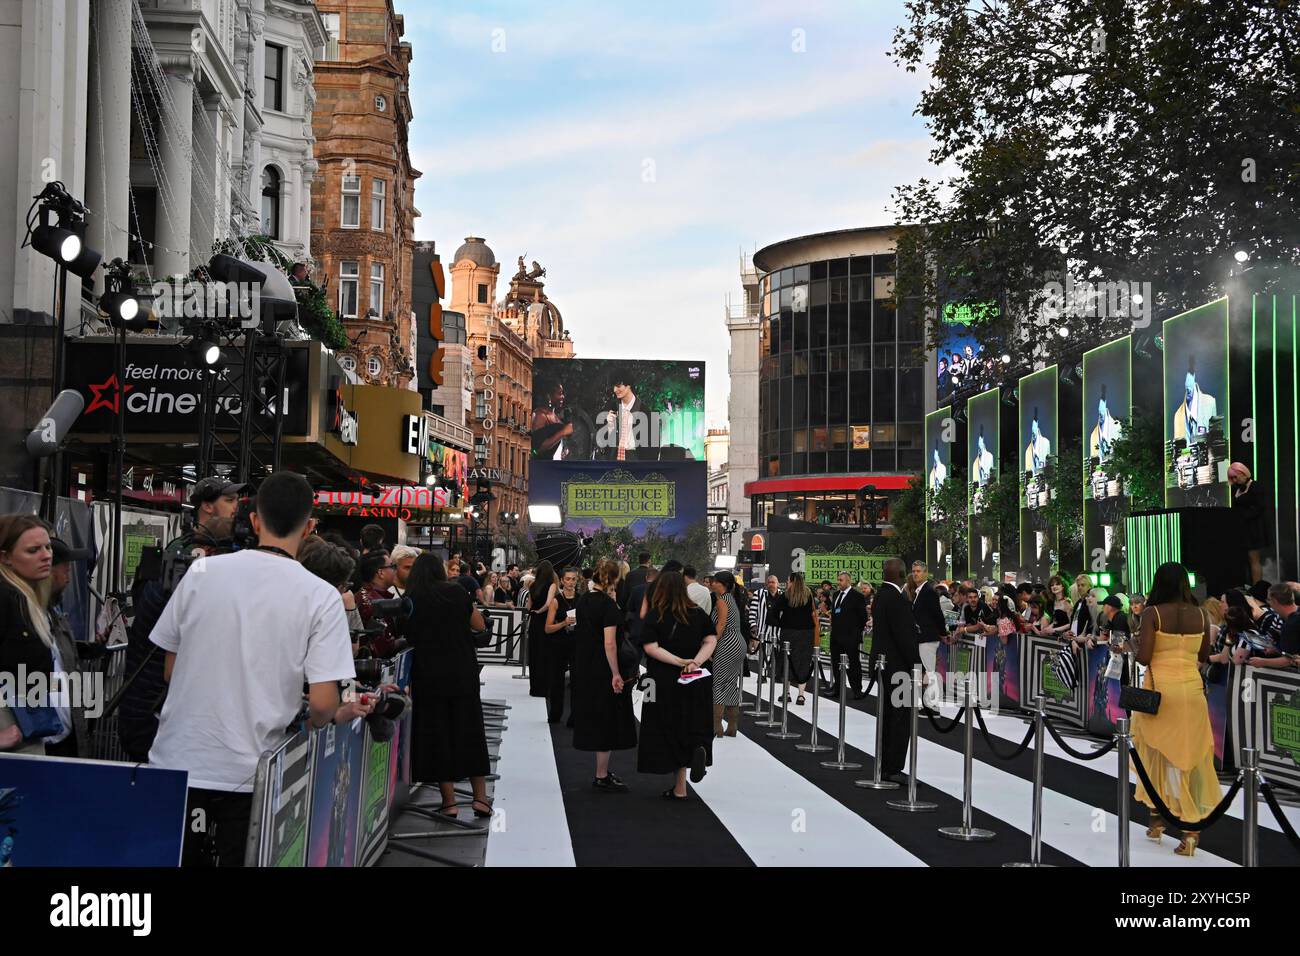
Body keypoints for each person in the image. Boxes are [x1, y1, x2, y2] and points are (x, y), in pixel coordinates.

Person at [147, 472, 372, 866]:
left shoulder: (201, 573)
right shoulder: (321, 596)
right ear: (308, 526)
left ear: (254, 521)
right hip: (254, 776)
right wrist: (321, 715)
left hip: (176, 763)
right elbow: (323, 702)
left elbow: (170, 670)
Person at [1132, 562, 1221, 857]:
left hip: (1161, 693)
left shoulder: (1152, 614)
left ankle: (1167, 820)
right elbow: (1205, 655)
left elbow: (1144, 658)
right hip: (1193, 692)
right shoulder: (1201, 614)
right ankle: (1184, 829)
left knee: (1158, 752)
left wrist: (1132, 646)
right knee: (1189, 755)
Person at [404, 554, 492, 817]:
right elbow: (478, 624)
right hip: (462, 671)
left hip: (428, 675)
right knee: (471, 731)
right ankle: (480, 798)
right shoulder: (455, 592)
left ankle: (450, 802)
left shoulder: (412, 598)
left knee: (438, 735)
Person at [638, 570, 716, 799]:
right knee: (691, 721)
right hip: (696, 678)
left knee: (665, 726)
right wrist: (696, 662)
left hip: (661, 679)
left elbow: (650, 647)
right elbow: (711, 639)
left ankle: (679, 784)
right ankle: (695, 751)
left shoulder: (656, 615)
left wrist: (679, 661)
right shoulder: (698, 613)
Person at [0, 515, 67, 756]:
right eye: (33, 550)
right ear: (5, 557)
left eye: (47, 547)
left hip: (26, 728)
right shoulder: (6, 599)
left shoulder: (28, 599)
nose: (47, 555)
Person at [571, 560, 636, 790]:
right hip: (603, 668)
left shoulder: (583, 601)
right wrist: (616, 673)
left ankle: (601, 772)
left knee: (595, 716)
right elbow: (610, 643)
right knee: (606, 719)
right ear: (614, 580)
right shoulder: (608, 607)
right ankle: (601, 773)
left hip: (585, 666)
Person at [869, 558, 923, 784]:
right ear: (902, 575)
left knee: (888, 717)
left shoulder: (880, 596)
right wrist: (918, 666)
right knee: (900, 719)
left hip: (884, 663)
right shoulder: (897, 599)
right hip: (899, 667)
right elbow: (904, 638)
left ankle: (884, 764)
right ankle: (893, 767)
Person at [768, 573, 817, 705]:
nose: (787, 582)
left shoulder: (786, 595)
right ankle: (801, 696)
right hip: (807, 632)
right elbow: (813, 612)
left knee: (787, 661)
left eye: (788, 580)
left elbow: (774, 611)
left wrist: (781, 622)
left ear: (792, 581)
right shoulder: (809, 594)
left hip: (789, 632)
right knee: (804, 661)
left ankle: (786, 693)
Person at [709, 570, 747, 736]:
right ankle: (732, 726)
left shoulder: (721, 601)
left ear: (721, 584)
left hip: (727, 642)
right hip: (738, 642)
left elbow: (721, 625)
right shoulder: (731, 599)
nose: (712, 584)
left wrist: (711, 645)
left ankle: (716, 726)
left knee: (718, 683)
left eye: (715, 581)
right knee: (731, 683)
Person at [543, 567, 581, 724]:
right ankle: (555, 714)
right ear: (562, 580)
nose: (571, 582)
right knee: (556, 681)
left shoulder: (582, 599)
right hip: (558, 644)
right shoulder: (555, 601)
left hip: (577, 644)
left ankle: (575, 717)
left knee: (577, 681)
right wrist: (564, 623)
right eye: (568, 579)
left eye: (574, 579)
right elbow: (547, 628)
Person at [828, 571, 869, 699]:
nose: (838, 582)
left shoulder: (857, 596)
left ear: (848, 581)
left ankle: (857, 690)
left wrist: (855, 633)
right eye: (838, 580)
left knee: (854, 664)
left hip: (851, 637)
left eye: (841, 580)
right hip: (835, 636)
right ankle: (837, 689)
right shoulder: (835, 595)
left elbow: (863, 617)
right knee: (836, 663)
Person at [1228, 462, 1266, 585]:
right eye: (1232, 478)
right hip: (1241, 529)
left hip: (1253, 529)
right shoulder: (1237, 489)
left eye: (1236, 477)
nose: (1235, 480)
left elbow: (1260, 507)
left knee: (1253, 559)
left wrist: (1241, 516)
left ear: (1243, 473)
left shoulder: (1255, 487)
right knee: (1245, 559)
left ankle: (1256, 588)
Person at [355, 551, 399, 658]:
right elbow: (383, 648)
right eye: (392, 566)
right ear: (381, 573)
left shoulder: (363, 595)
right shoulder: (375, 603)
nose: (396, 570)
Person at [909, 561, 946, 678]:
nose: (915, 574)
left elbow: (937, 614)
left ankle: (933, 696)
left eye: (918, 571)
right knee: (923, 673)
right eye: (913, 571)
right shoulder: (919, 592)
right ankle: (926, 696)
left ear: (925, 573)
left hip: (928, 638)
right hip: (922, 638)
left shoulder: (929, 591)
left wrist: (943, 633)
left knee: (929, 673)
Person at [527, 562, 558, 697]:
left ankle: (534, 688)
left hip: (534, 620)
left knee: (534, 654)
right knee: (544, 653)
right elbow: (548, 603)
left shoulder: (532, 585)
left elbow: (528, 606)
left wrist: (535, 611)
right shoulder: (552, 585)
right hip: (544, 620)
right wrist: (540, 611)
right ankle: (543, 688)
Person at [1173, 356, 1217, 443]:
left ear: (1194, 376)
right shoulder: (1178, 415)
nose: (1186, 382)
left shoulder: (1210, 402)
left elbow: (1216, 440)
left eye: (1189, 374)